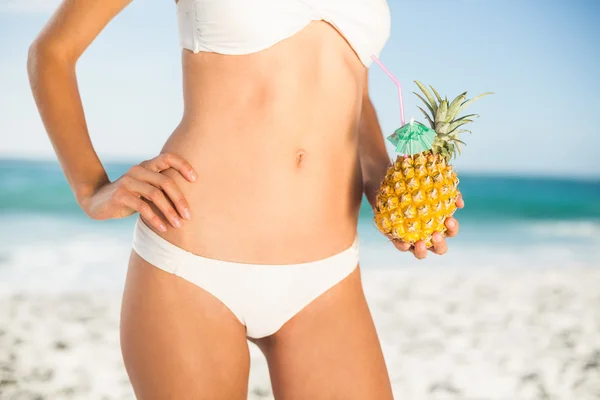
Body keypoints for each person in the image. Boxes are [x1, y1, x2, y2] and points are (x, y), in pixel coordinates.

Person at [27, 0, 463, 398]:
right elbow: (52, 53)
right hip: (192, 269)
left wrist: (385, 185)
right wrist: (91, 189)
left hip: (329, 280)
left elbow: (354, 90)